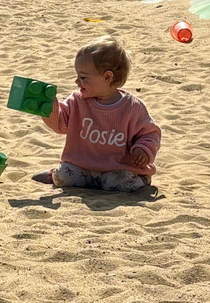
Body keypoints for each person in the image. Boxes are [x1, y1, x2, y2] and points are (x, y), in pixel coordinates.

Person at [31, 35, 160, 192]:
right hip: (82, 166)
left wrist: (143, 150)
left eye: (83, 77)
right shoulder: (77, 100)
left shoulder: (132, 107)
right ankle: (54, 174)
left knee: (118, 184)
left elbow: (150, 133)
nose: (77, 82)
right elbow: (60, 124)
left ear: (107, 77)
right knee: (64, 177)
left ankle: (142, 178)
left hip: (117, 167)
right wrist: (49, 108)